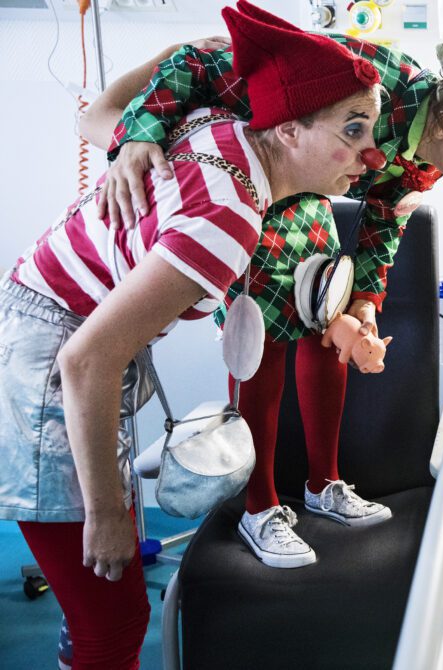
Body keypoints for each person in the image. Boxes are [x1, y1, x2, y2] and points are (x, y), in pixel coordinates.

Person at [81, 0, 443, 568]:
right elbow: (199, 62)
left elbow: (385, 221)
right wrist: (140, 132)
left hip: (303, 199)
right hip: (247, 181)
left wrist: (364, 302)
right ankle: (258, 508)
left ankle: (323, 484)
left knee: (326, 317)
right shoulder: (367, 77)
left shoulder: (429, 159)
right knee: (262, 335)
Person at [0, 5, 381, 668]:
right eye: (353, 130)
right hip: (54, 359)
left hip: (51, 323)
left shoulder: (213, 127)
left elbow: (98, 111)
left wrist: (163, 80)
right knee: (114, 614)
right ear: (289, 131)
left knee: (99, 596)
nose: (369, 155)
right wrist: (109, 515)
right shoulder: (225, 225)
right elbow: (86, 359)